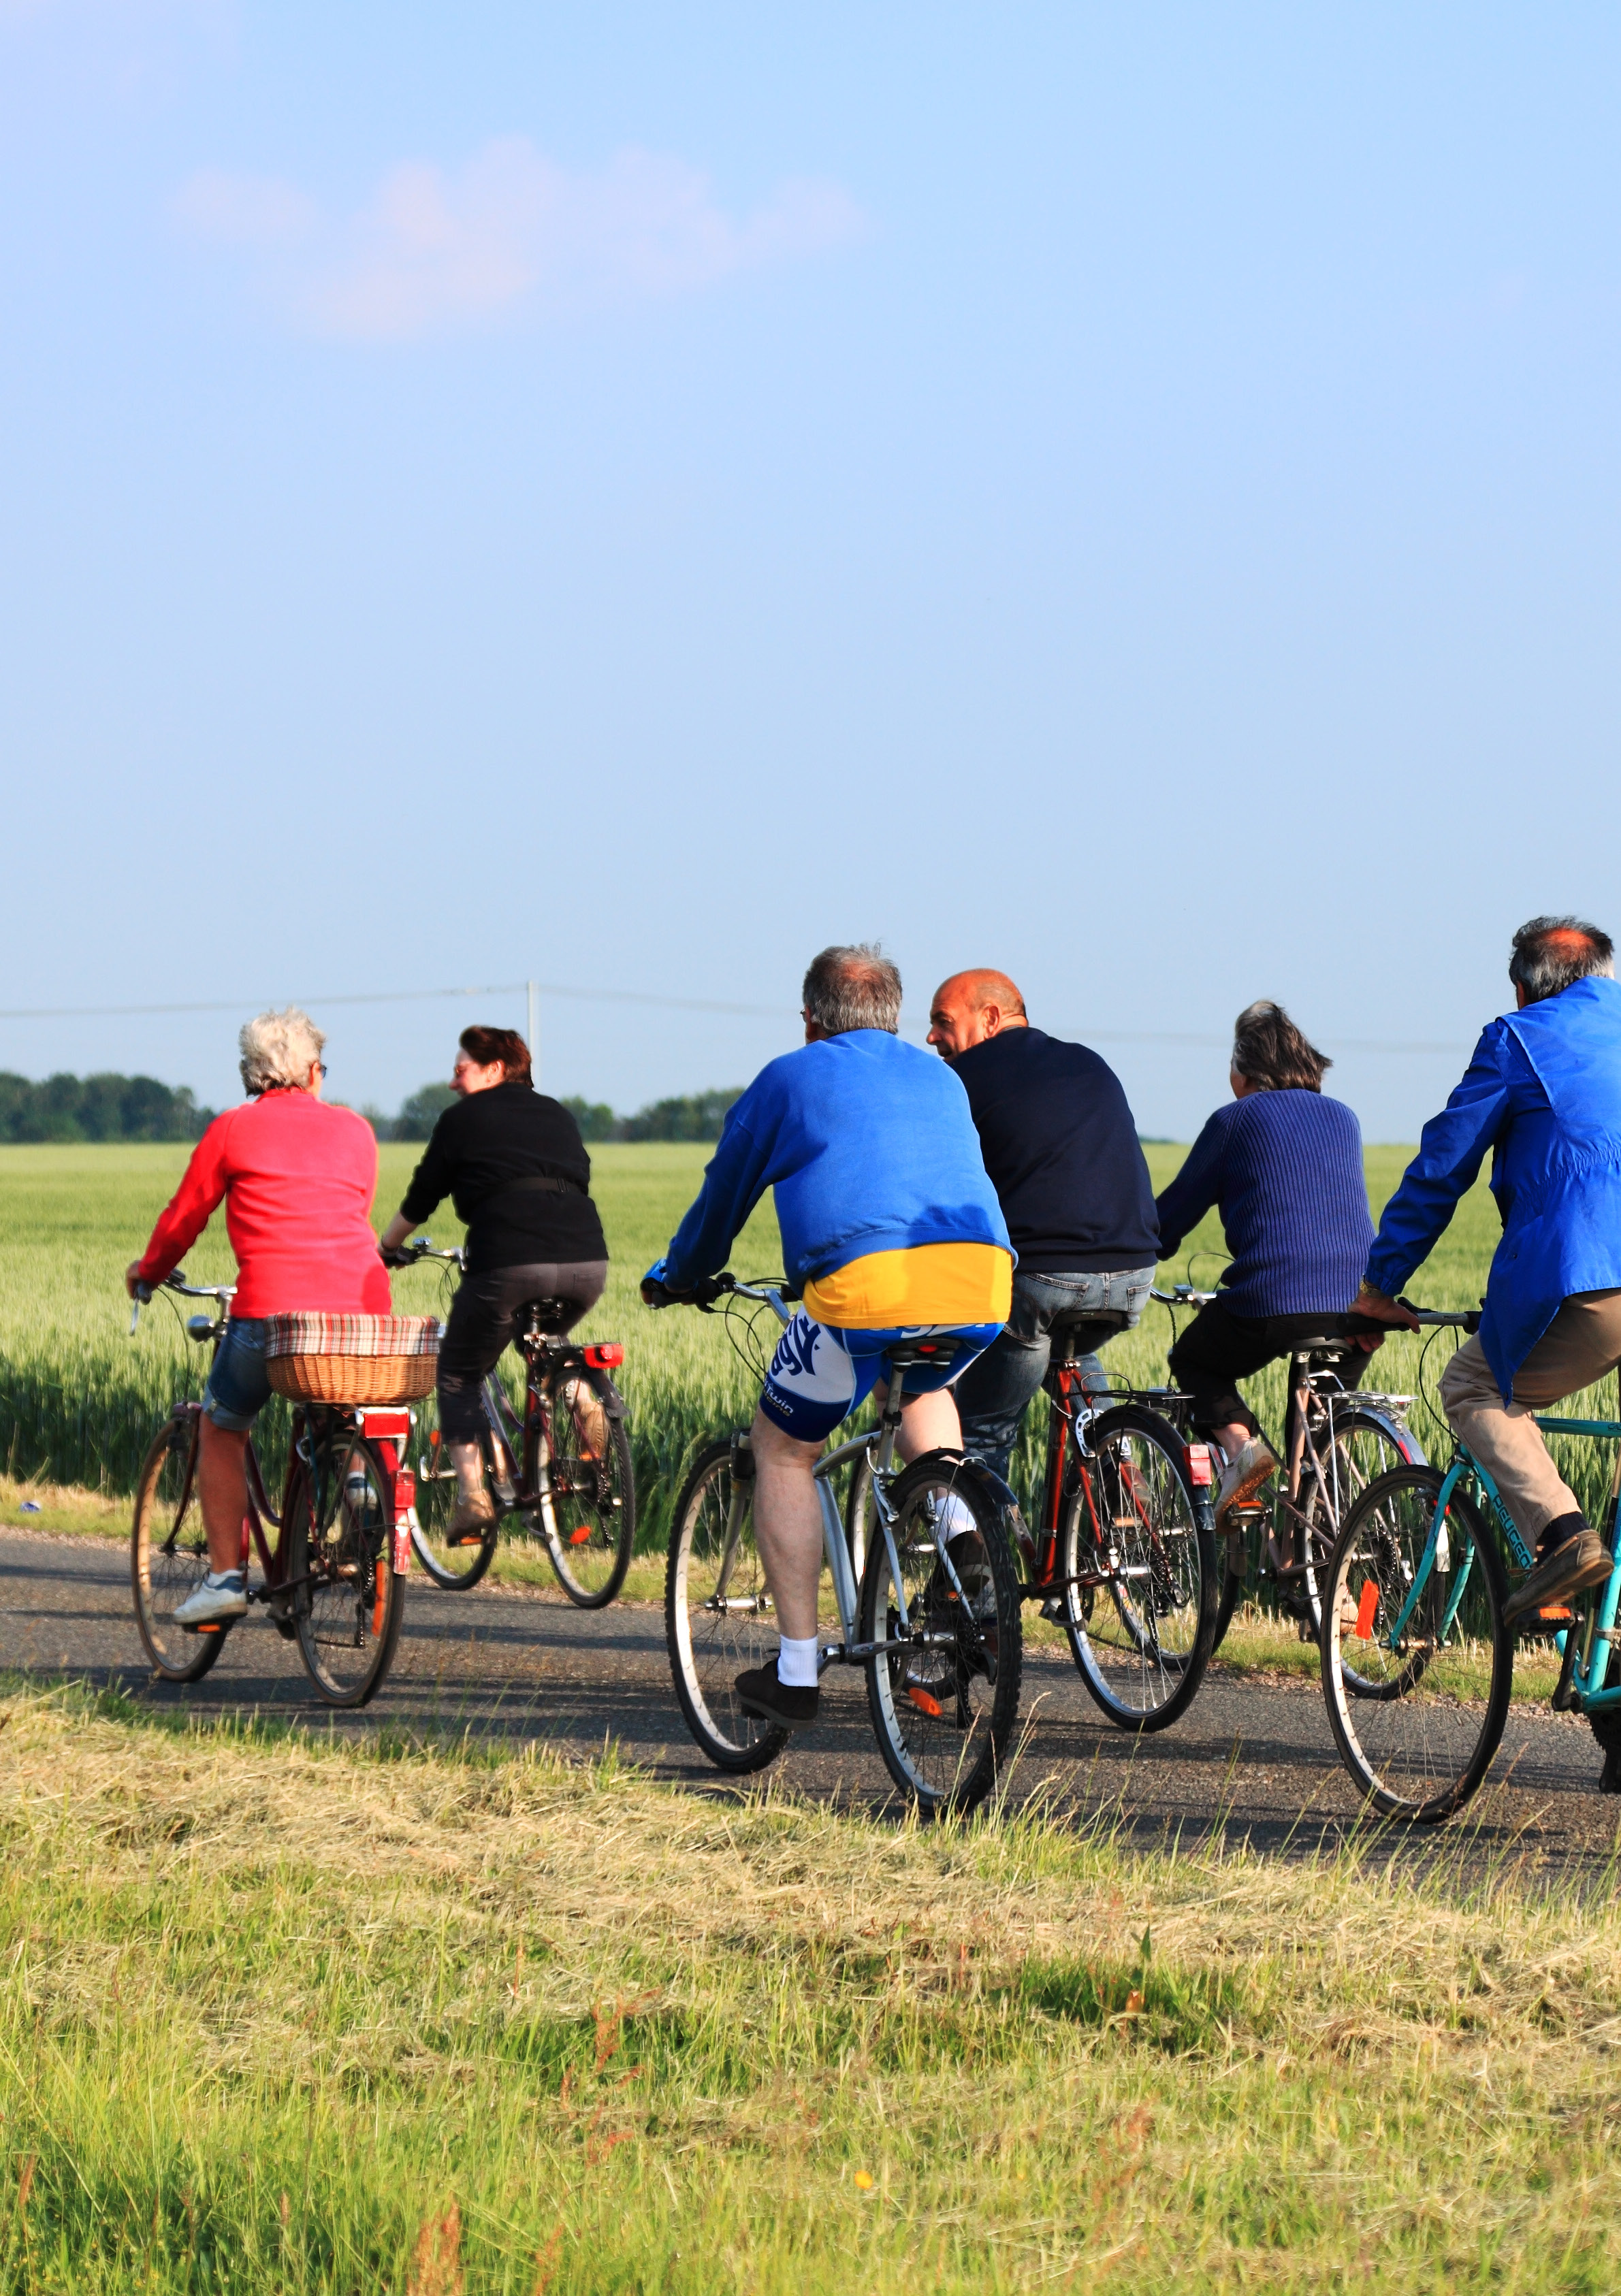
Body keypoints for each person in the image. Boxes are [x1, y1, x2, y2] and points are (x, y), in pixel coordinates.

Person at [643, 944, 1013, 1731]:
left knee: (783, 1447)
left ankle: (797, 1668)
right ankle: (960, 1525)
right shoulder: (940, 1075)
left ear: (810, 1019)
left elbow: (721, 1201)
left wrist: (679, 1274)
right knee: (922, 1382)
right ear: (893, 1017)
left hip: (865, 1284)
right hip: (981, 1281)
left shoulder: (790, 1076)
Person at [1353, 916, 1621, 1622]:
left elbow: (1442, 1168)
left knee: (1472, 1383)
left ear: (1521, 987)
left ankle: (1562, 1539)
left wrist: (1379, 1285)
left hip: (1588, 1274)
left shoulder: (1516, 1037)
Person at [125, 1008, 391, 1625]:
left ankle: (224, 1577)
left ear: (252, 1074)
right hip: (361, 1313)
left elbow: (182, 1220)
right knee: (339, 1405)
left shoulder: (233, 1130)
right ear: (311, 1071)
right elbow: (350, 1213)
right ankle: (359, 1493)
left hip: (270, 1312)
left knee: (222, 1424)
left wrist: (150, 1272)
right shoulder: (357, 1130)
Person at [925, 968, 1160, 1488]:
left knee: (984, 1430)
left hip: (1041, 1278)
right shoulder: (1088, 1061)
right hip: (1134, 1272)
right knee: (1069, 1348)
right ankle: (1120, 1481)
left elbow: (937, 1187)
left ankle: (978, 1568)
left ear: (989, 1018)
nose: (930, 1037)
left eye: (942, 1021)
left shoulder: (961, 1079)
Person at [379, 1025, 608, 1540]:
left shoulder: (462, 1119)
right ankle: (582, 1402)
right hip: (587, 1262)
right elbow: (579, 1178)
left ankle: (474, 1498)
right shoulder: (558, 1112)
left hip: (506, 1261)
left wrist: (388, 1246)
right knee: (548, 1344)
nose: (453, 1082)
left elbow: (423, 1195)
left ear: (494, 1068)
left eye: (461, 1070)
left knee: (459, 1372)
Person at [1155, 1001, 1375, 1528]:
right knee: (1317, 1422)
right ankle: (1317, 1559)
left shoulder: (1233, 1120)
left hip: (1274, 1298)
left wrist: (1141, 1247)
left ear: (1244, 1069)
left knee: (1194, 1362)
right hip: (1363, 1303)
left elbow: (1171, 1215)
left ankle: (1243, 1448)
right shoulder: (1343, 1116)